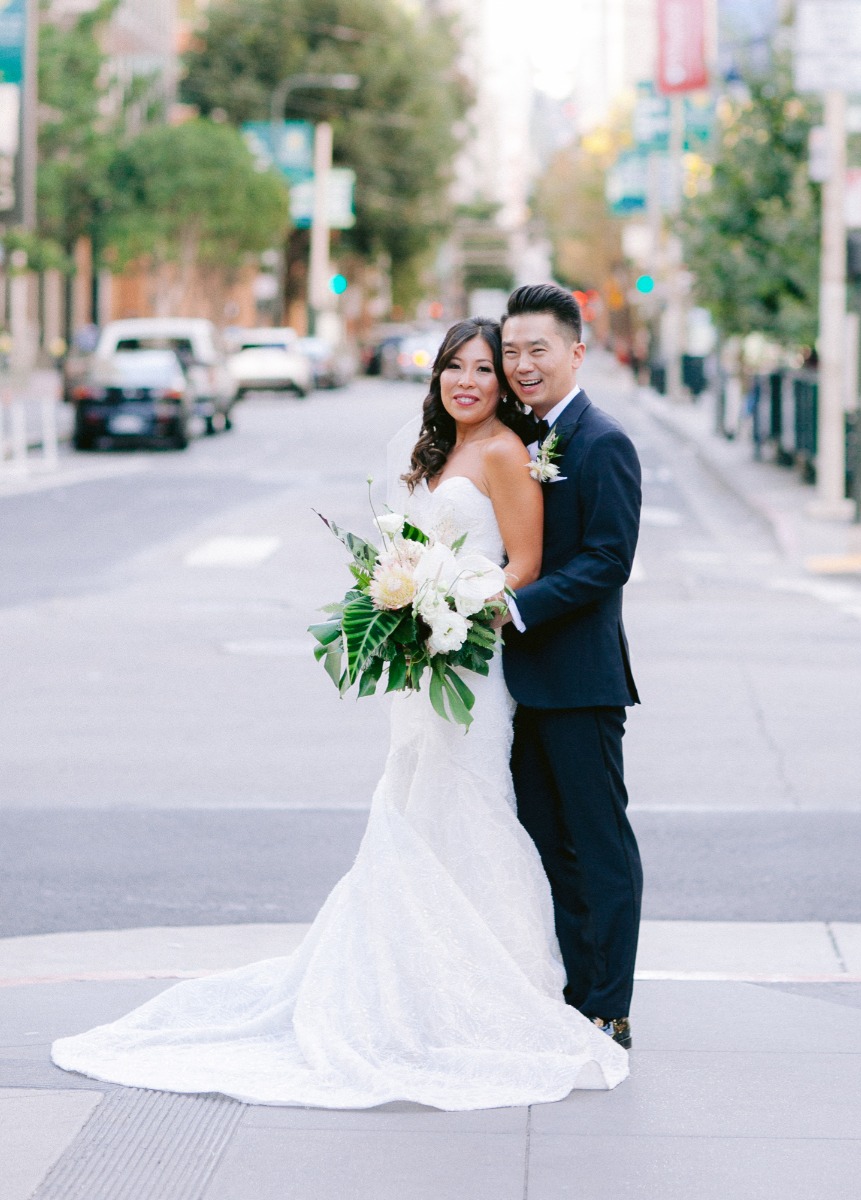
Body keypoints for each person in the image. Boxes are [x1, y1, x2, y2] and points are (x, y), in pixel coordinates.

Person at [51, 317, 628, 1110]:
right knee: (413, 804)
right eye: (453, 367)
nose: (467, 381)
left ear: (504, 383)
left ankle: (500, 990)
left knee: (477, 804)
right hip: (428, 665)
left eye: (484, 368)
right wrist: (404, 601)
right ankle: (410, 988)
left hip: (479, 657)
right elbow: (406, 547)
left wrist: (457, 603)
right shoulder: (431, 451)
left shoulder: (504, 453)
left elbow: (522, 566)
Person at [500, 284, 642, 1049]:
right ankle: (571, 994)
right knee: (545, 844)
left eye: (538, 349)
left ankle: (609, 1007)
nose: (523, 364)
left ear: (575, 352)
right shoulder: (514, 437)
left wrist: (513, 606)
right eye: (512, 351)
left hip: (581, 680)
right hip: (515, 685)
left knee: (598, 845)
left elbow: (608, 560)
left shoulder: (600, 440)